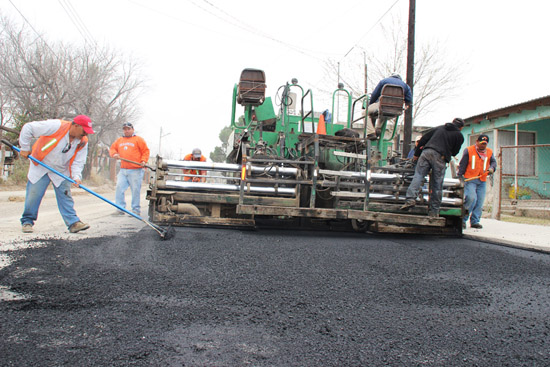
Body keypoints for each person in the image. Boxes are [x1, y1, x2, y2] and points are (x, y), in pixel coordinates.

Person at [19, 115, 95, 233]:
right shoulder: (56, 126)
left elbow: (78, 161)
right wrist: (24, 147)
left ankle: (73, 223)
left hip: (60, 170)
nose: (85, 134)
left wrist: (76, 176)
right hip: (41, 165)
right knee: (34, 195)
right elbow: (28, 127)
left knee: (65, 196)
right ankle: (27, 221)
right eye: (84, 131)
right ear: (76, 126)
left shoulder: (82, 141)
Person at [400, 118, 465, 217]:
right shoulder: (459, 136)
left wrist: (416, 155)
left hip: (426, 153)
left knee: (418, 175)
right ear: (461, 127)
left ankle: (410, 200)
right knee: (437, 183)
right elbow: (455, 151)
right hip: (440, 157)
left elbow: (423, 139)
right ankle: (434, 211)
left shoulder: (440, 128)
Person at [457, 134, 497, 229]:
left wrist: (492, 168)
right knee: (471, 199)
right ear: (477, 142)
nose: (483, 145)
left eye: (485, 144)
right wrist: (459, 177)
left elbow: (493, 162)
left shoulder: (489, 152)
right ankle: (462, 220)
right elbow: (463, 164)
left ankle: (475, 221)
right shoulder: (469, 150)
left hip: (482, 180)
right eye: (481, 143)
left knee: (479, 202)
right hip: (470, 179)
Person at [109, 122, 150, 215]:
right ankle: (120, 209)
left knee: (135, 190)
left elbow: (145, 151)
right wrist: (114, 154)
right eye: (125, 129)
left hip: (136, 169)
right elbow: (112, 149)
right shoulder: (119, 140)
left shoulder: (138, 140)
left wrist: (144, 161)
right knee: (119, 187)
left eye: (128, 129)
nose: (126, 131)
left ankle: (135, 210)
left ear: (132, 129)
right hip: (123, 169)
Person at [366, 73, 413, 140]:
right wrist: (404, 108)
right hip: (396, 110)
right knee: (384, 113)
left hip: (382, 106)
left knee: (365, 112)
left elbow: (374, 94)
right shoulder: (406, 86)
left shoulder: (384, 81)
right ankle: (378, 128)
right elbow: (409, 101)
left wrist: (370, 104)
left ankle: (371, 133)